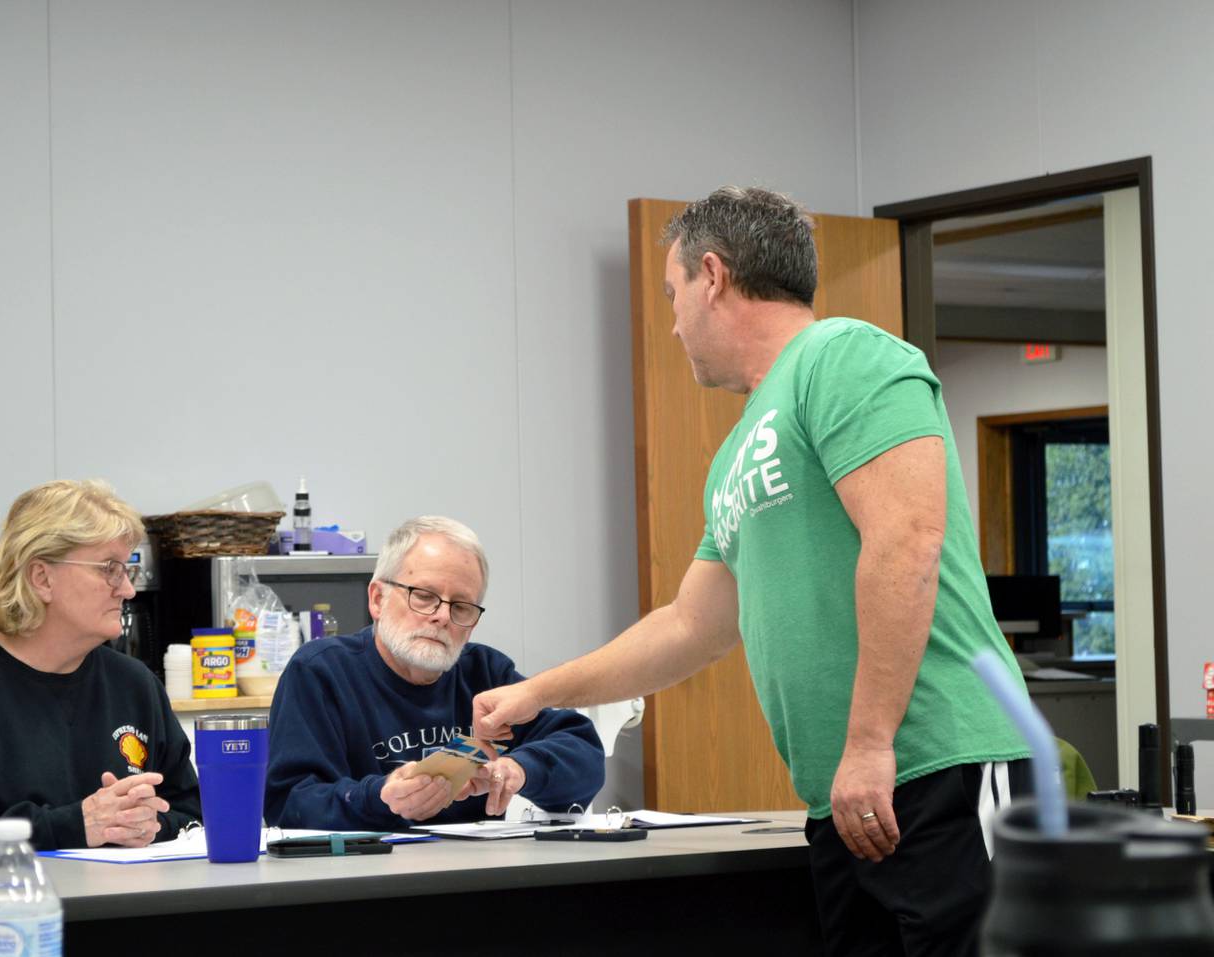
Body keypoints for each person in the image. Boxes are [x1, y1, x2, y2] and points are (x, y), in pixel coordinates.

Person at [472, 187, 1032, 956]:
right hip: (847, 795)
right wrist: (538, 692)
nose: (670, 322)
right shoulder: (735, 453)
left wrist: (869, 744)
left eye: (672, 295)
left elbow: (907, 540)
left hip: (940, 762)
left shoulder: (846, 355)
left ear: (713, 275)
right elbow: (689, 627)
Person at [0, 479, 200, 857]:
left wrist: (149, 825)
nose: (128, 590)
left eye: (126, 570)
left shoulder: (135, 685)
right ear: (41, 578)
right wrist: (74, 826)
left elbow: (190, 814)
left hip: (128, 909)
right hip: (4, 910)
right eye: (109, 569)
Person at [263, 516, 603, 831]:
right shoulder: (321, 673)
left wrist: (520, 770)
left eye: (461, 606)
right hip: (362, 880)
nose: (442, 616)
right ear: (377, 599)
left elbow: (584, 756)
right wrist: (379, 798)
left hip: (476, 876)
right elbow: (287, 805)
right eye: (424, 597)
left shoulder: (485, 673)